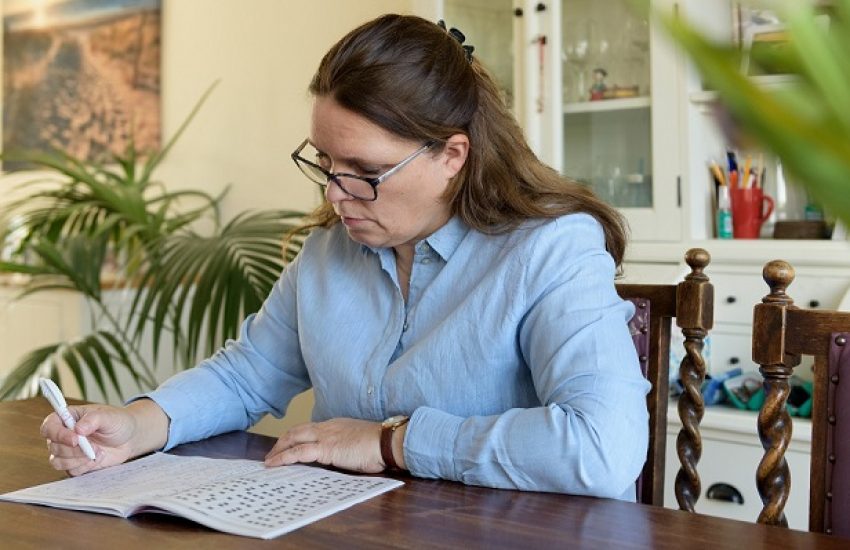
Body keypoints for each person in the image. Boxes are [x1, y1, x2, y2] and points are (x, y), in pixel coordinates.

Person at [41, 14, 649, 500]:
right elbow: (247, 375)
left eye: (367, 171)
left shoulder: (551, 247)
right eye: (326, 163)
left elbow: (602, 448)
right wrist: (138, 425)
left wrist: (392, 444)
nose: (335, 194)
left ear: (453, 155)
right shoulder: (329, 252)